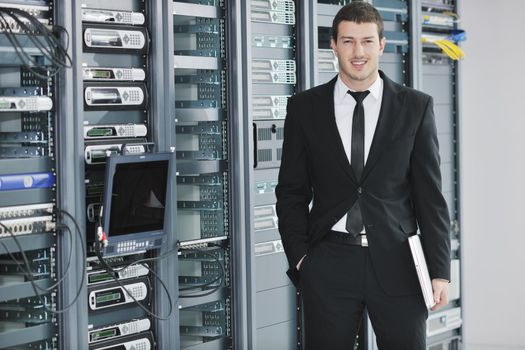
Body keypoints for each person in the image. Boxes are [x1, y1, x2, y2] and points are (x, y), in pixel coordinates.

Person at [275, 2, 451, 349]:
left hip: (399, 262)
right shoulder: (305, 108)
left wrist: (440, 270)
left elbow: (430, 196)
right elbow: (291, 192)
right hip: (329, 263)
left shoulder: (415, 107)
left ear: (382, 45)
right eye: (349, 41)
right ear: (334, 46)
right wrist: (302, 259)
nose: (359, 52)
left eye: (368, 41)